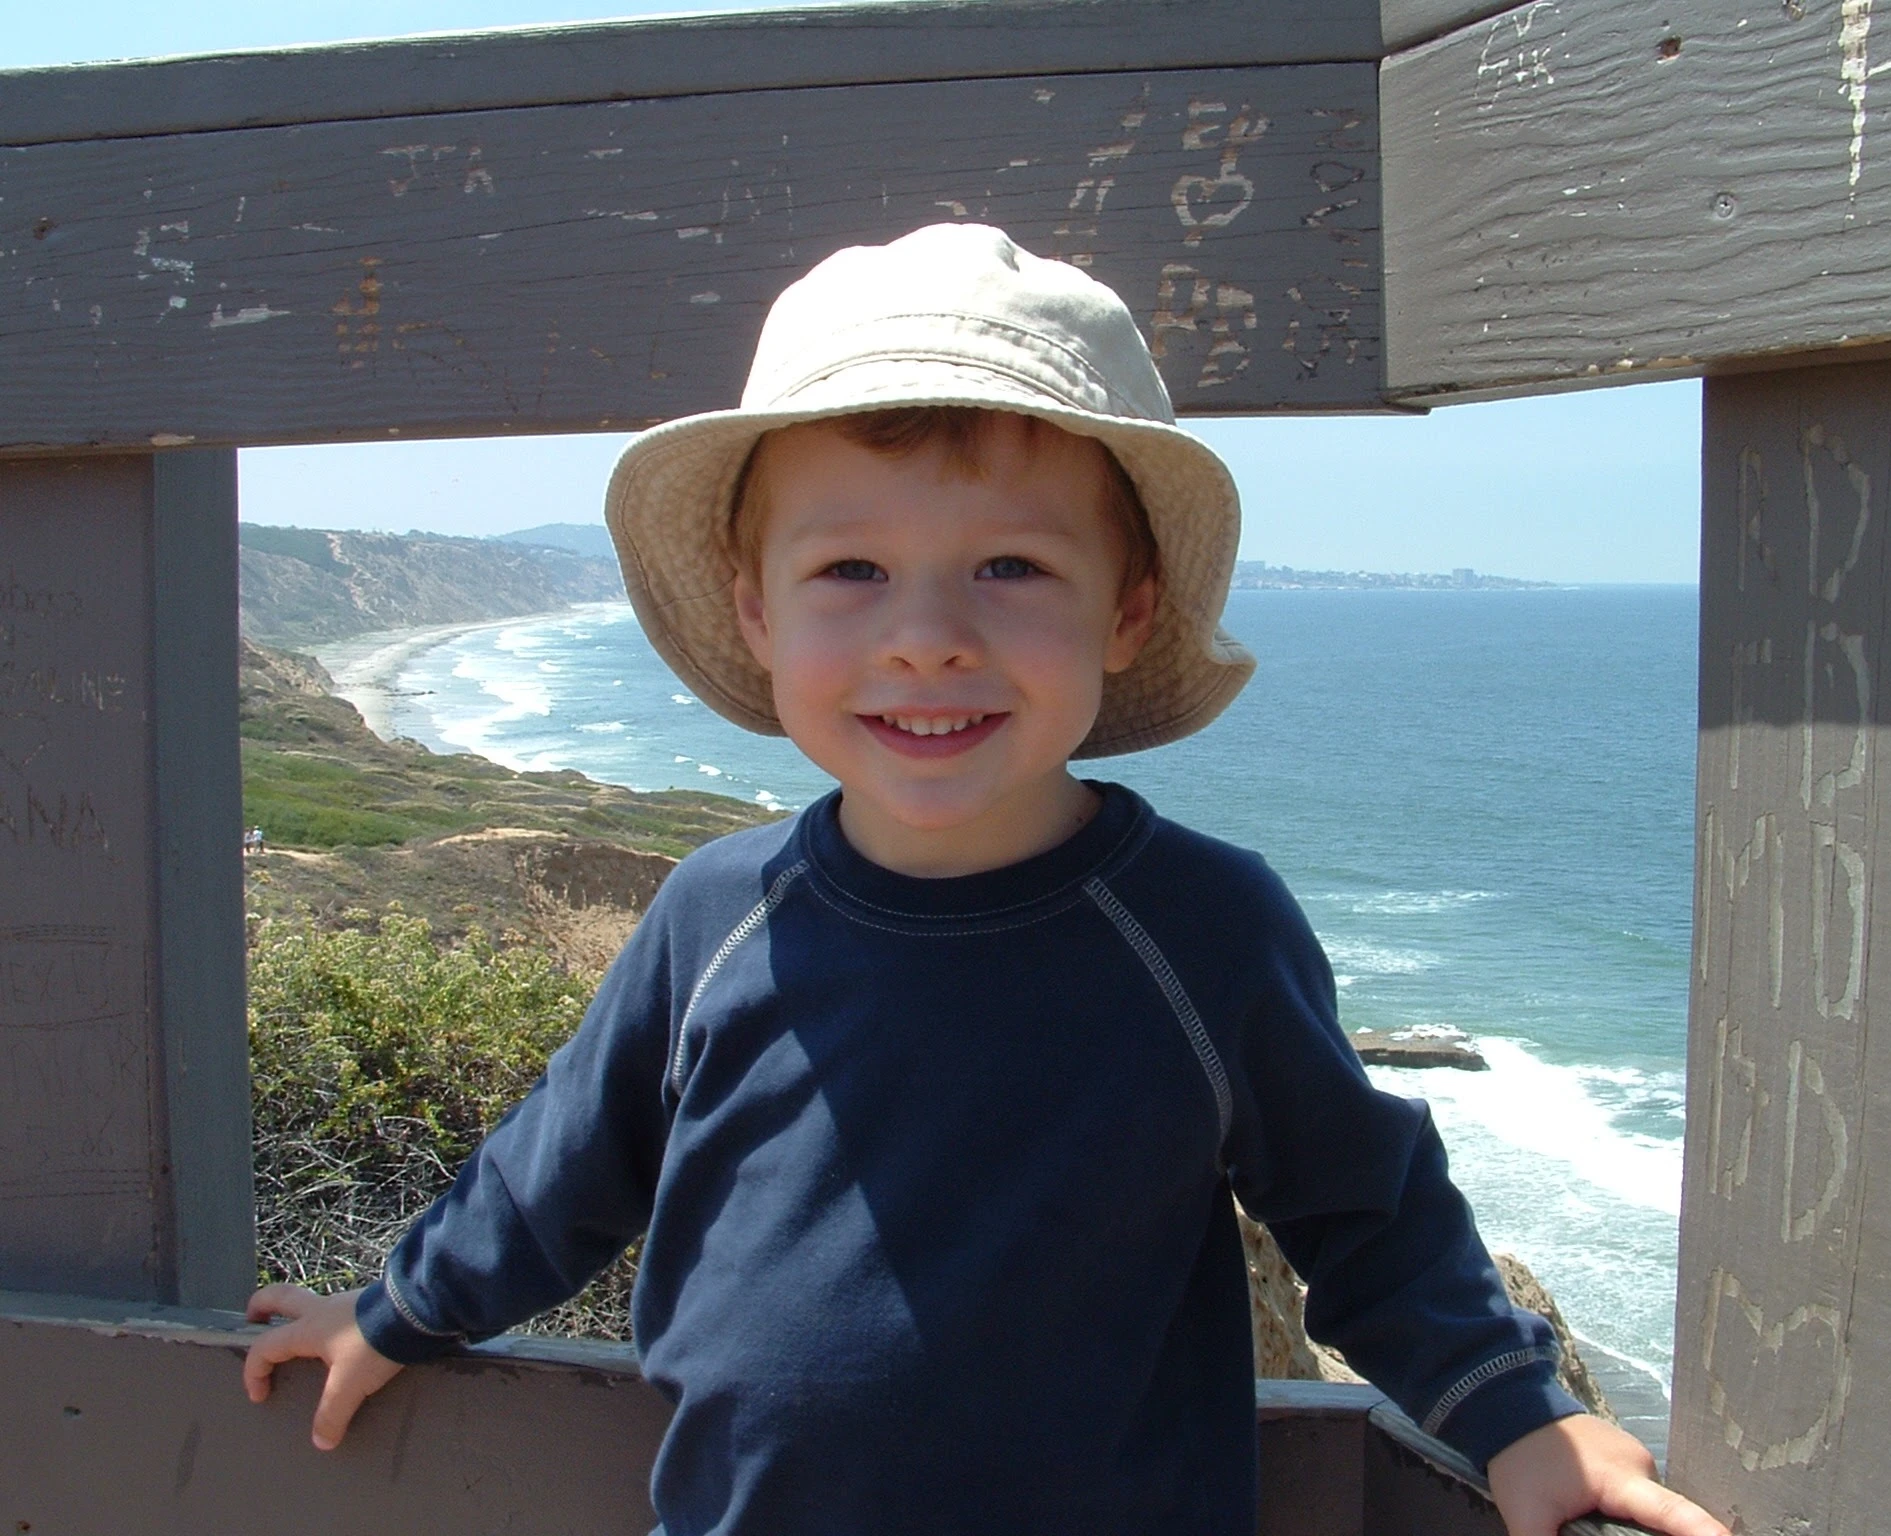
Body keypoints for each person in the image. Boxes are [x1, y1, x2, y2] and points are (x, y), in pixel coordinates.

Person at [242, 224, 1727, 1536]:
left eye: (1011, 568)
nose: (928, 636)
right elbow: (560, 1169)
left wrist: (1519, 1419)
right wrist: (396, 1312)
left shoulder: (1203, 931)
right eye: (852, 574)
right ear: (757, 614)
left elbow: (1368, 1211)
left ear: (1128, 611)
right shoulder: (714, 915)